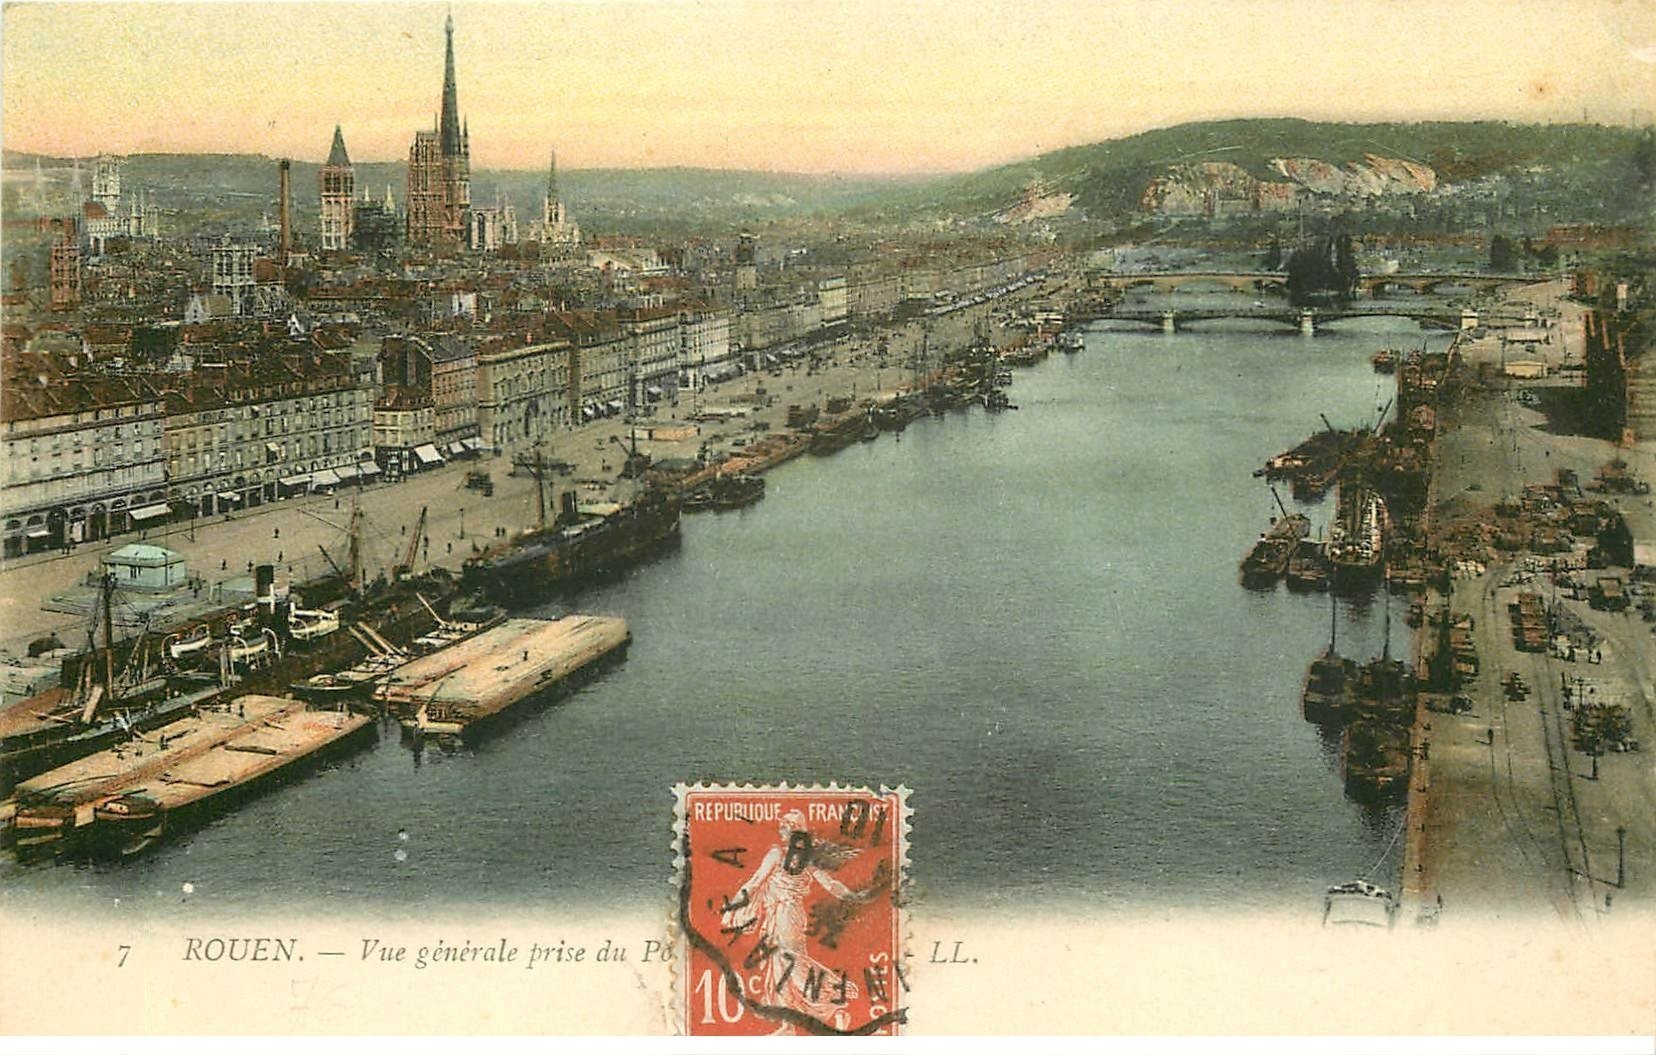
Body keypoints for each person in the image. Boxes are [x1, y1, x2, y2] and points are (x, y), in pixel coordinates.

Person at [722, 810, 868, 1032]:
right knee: (780, 968)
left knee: (790, 964)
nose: (781, 829)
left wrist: (733, 906)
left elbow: (755, 881)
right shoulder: (806, 858)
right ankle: (790, 1024)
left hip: (785, 915)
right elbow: (831, 884)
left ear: (793, 830)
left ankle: (836, 997)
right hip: (785, 915)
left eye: (785, 826)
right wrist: (853, 897)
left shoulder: (777, 854)